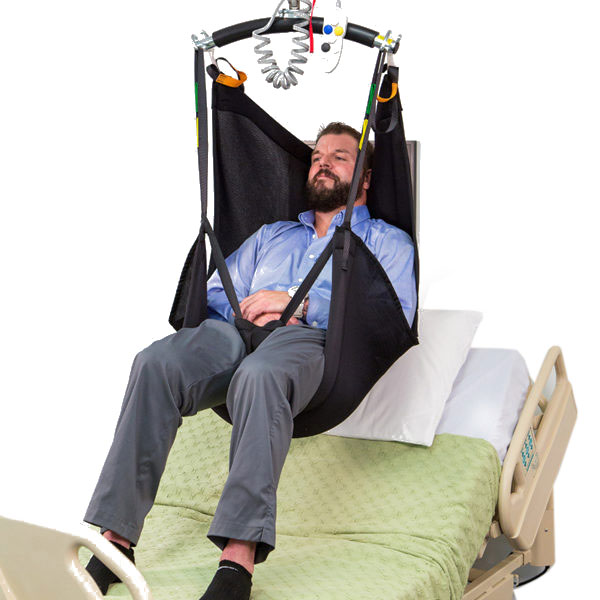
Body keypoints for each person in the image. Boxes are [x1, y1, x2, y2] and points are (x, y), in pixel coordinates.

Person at [83, 122, 417, 600]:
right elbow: (217, 291)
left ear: (364, 177)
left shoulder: (387, 242)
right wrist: (251, 307)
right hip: (237, 331)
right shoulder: (272, 235)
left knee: (260, 375)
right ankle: (115, 541)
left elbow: (393, 314)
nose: (322, 163)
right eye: (317, 156)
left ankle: (237, 560)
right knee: (155, 363)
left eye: (339, 157)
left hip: (310, 340)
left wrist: (299, 305)